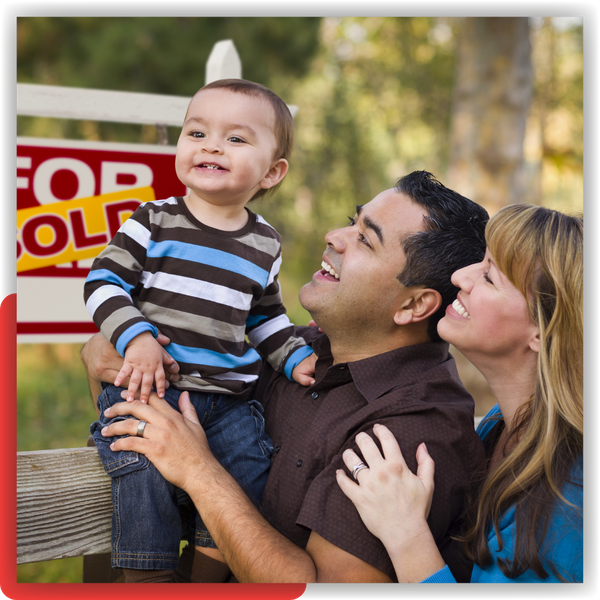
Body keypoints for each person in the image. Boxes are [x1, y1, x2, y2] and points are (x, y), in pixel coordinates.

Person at [82, 171, 490, 583]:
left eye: (365, 238)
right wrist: (106, 351)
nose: (334, 235)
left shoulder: (415, 432)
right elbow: (131, 412)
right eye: (353, 221)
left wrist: (198, 470)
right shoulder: (291, 351)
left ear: (414, 304)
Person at [83, 78, 317, 581]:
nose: (211, 145)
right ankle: (148, 576)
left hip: (228, 401)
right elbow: (102, 282)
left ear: (273, 172)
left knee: (249, 467)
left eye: (236, 138)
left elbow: (265, 316)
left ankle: (208, 575)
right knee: (140, 472)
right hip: (151, 389)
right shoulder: (154, 221)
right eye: (197, 132)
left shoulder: (265, 244)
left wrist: (295, 357)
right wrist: (137, 337)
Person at [336, 204, 584, 584]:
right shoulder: (500, 427)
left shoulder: (568, 501)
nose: (460, 277)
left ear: (543, 331)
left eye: (489, 277)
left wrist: (406, 533)